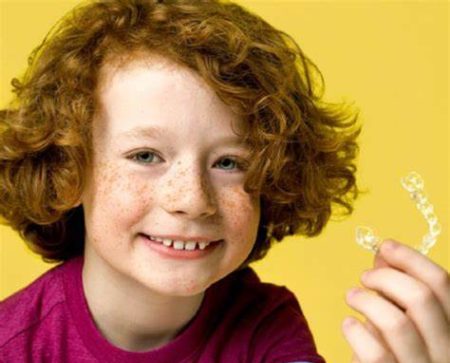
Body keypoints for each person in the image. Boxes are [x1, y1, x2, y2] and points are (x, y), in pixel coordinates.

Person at [0, 1, 448, 362]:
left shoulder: (267, 326)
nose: (192, 200)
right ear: (68, 169)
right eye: (145, 156)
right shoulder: (13, 343)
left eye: (230, 163)